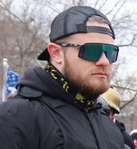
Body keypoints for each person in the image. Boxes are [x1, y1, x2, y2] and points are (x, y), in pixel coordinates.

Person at [0, 6, 124, 149]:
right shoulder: (15, 118)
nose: (104, 61)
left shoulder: (108, 125)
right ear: (56, 53)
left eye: (110, 52)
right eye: (92, 50)